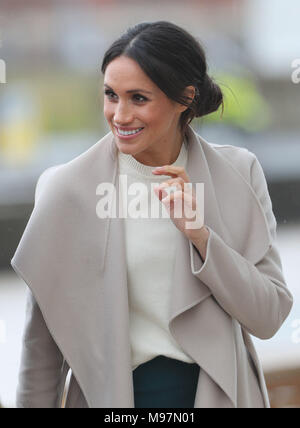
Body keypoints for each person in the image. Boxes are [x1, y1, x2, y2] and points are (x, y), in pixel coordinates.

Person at [11, 21, 293, 408]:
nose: (120, 115)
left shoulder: (239, 174)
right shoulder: (65, 189)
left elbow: (269, 316)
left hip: (213, 396)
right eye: (111, 95)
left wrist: (202, 237)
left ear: (185, 98)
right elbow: (40, 351)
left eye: (138, 98)